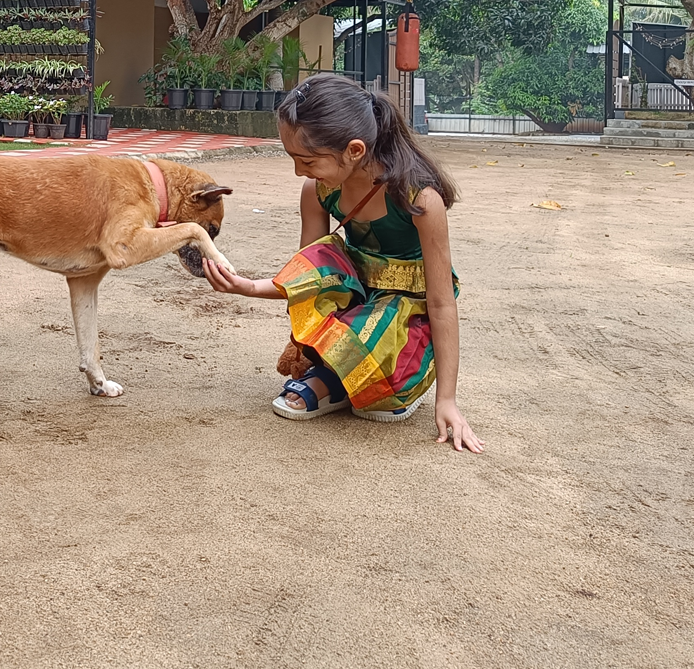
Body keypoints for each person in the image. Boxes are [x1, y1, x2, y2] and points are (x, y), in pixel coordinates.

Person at [202, 73, 484, 453]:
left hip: (408, 311)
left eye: (308, 160)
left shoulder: (420, 199)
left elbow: (440, 302)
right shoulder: (318, 190)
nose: (299, 171)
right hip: (357, 293)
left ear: (354, 150)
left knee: (382, 348)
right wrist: (249, 286)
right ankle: (336, 372)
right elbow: (310, 276)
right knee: (320, 258)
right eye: (293, 158)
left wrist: (447, 400)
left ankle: (339, 380)